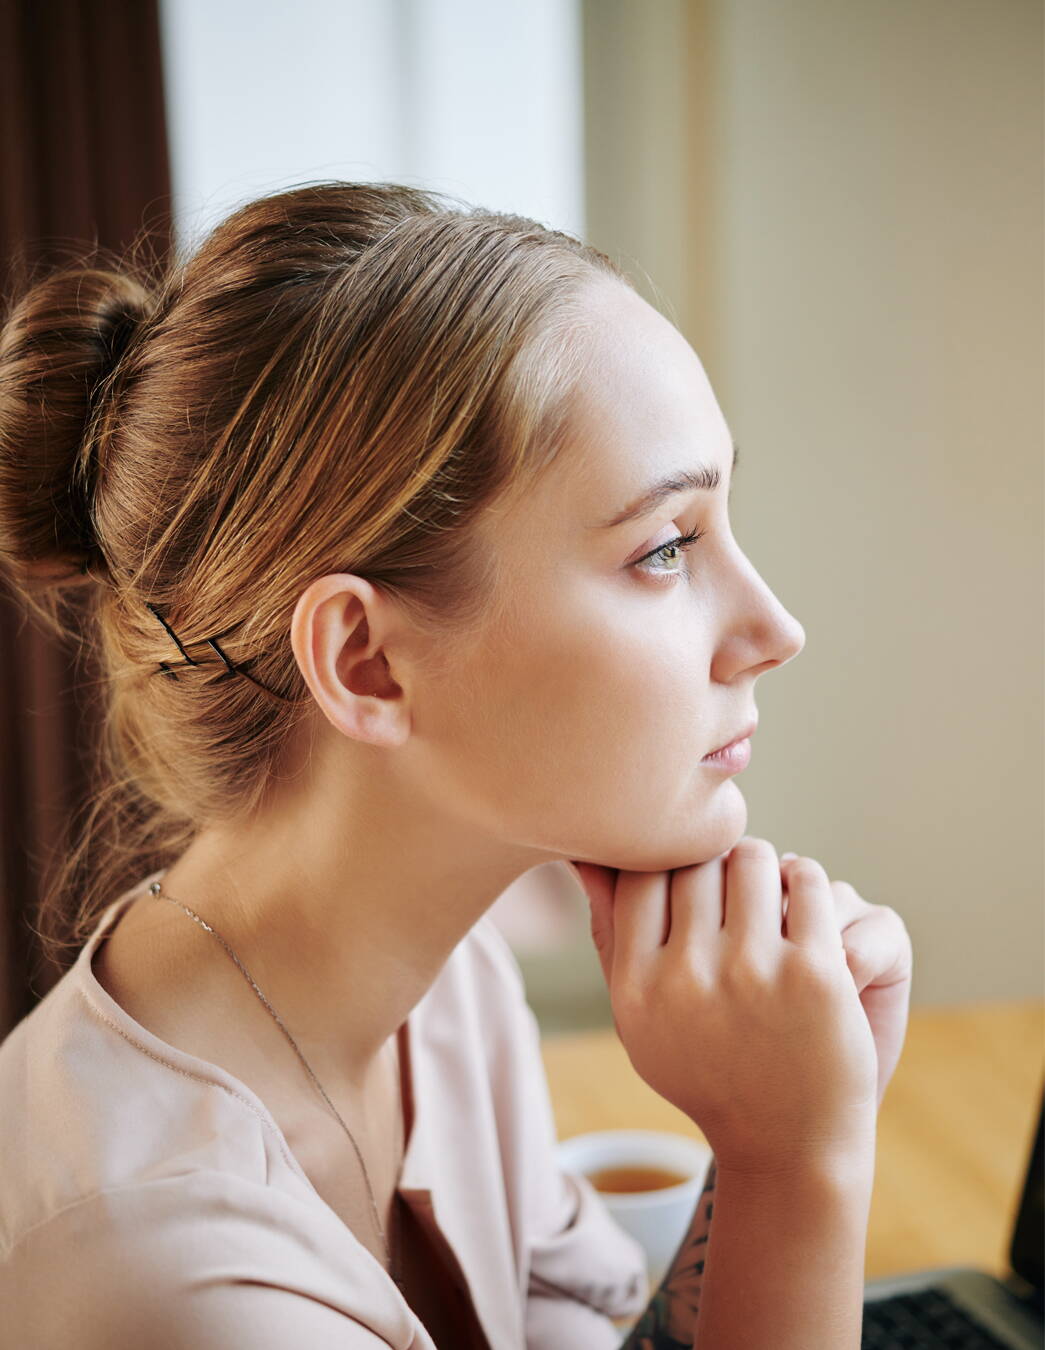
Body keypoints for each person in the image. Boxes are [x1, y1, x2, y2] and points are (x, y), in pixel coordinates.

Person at [0, 180, 911, 1348]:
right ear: (368, 662)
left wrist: (780, 1124)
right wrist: (798, 1166)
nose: (775, 628)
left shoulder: (445, 993)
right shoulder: (167, 1286)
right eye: (666, 547)